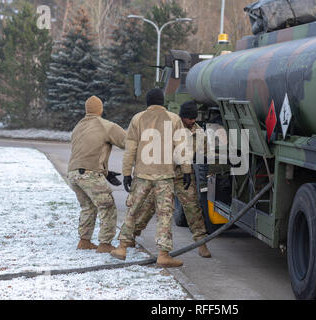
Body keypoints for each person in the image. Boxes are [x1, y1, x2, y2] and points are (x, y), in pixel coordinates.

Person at [111, 89, 192, 268]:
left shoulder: (137, 119)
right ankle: (163, 254)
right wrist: (186, 170)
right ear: (162, 102)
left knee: (133, 210)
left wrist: (126, 173)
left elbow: (129, 149)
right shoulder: (174, 119)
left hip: (142, 175)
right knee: (165, 214)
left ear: (147, 102)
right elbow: (182, 148)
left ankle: (122, 247)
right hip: (165, 176)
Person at [133, 101, 211, 258]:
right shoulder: (168, 128)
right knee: (149, 206)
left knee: (192, 207)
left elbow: (205, 153)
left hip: (184, 175)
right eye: (189, 118)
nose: (192, 121)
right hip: (163, 173)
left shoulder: (198, 133)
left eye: (194, 118)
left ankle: (201, 243)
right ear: (182, 117)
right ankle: (131, 235)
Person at [68, 96, 126, 253]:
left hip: (73, 174)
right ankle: (105, 243)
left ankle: (84, 241)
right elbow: (127, 142)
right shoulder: (106, 125)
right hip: (90, 174)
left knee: (88, 207)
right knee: (107, 207)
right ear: (101, 109)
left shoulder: (78, 126)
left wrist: (105, 172)